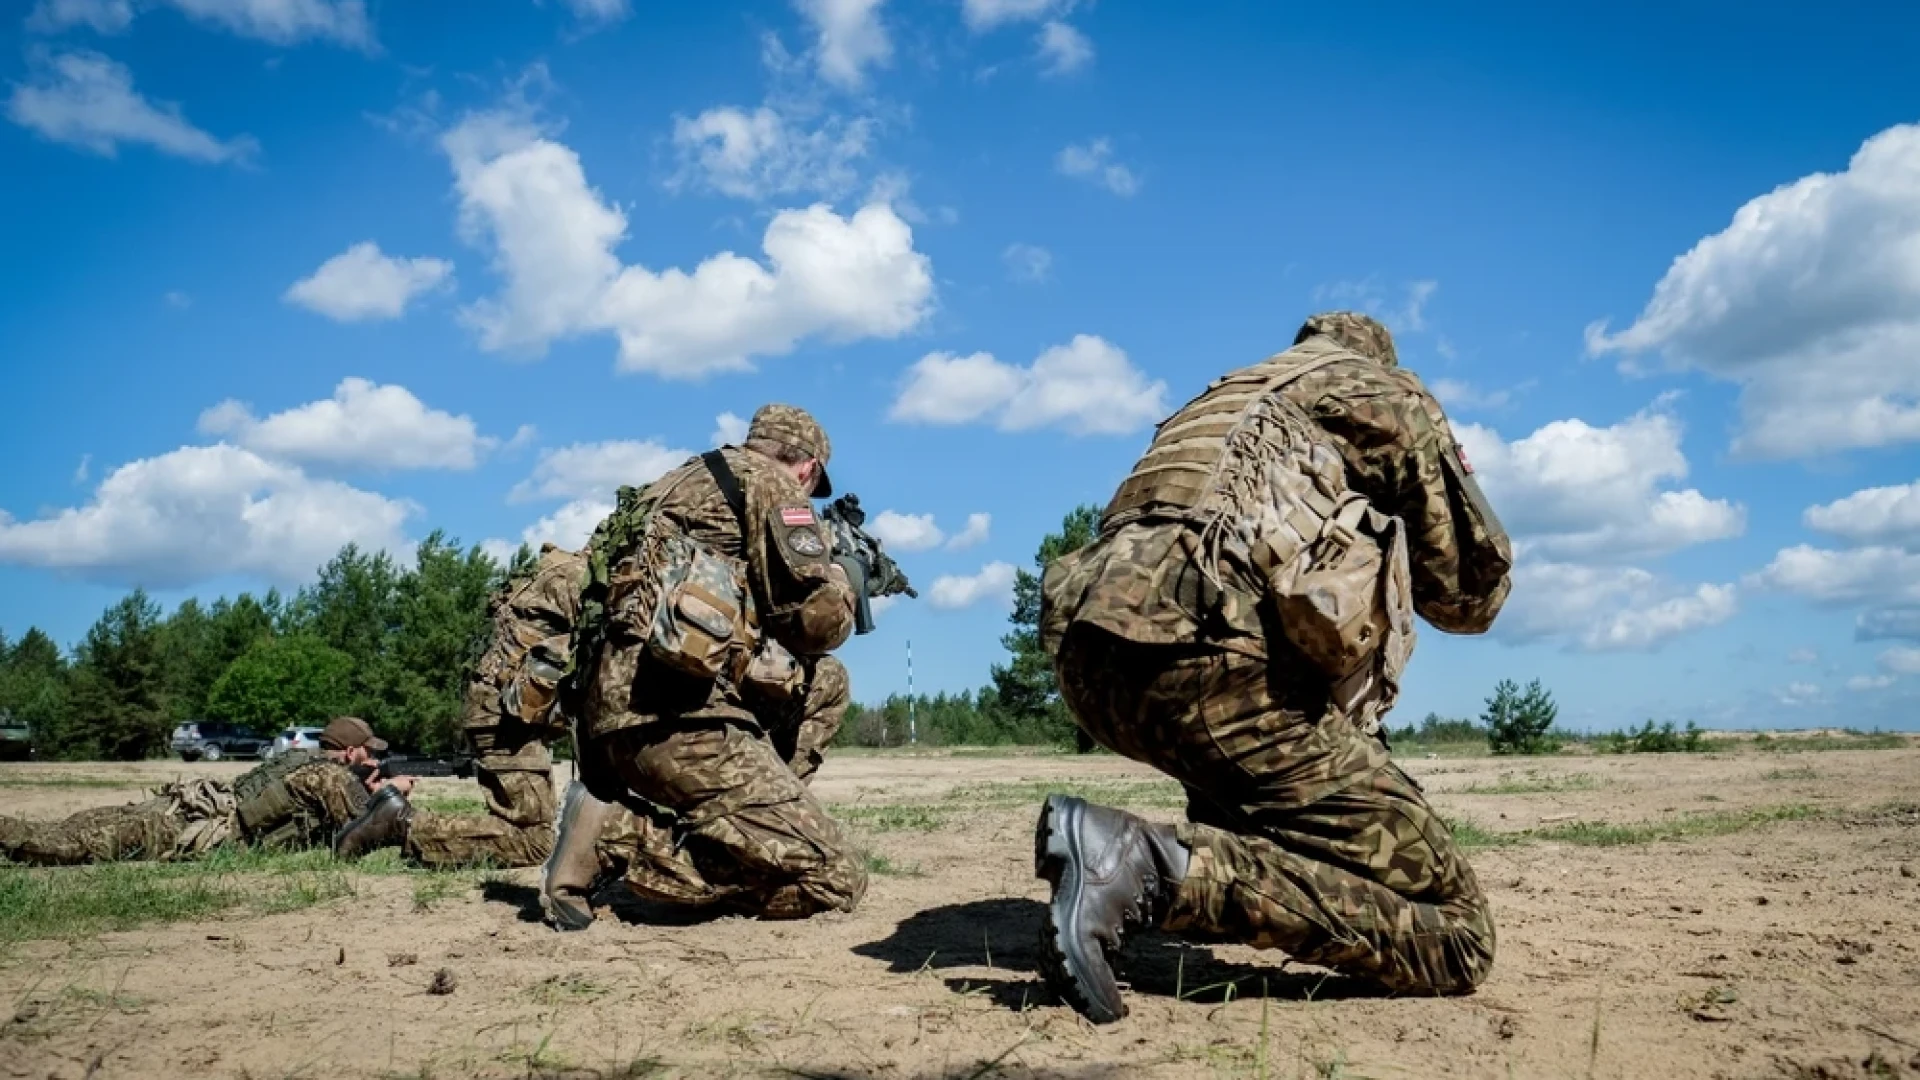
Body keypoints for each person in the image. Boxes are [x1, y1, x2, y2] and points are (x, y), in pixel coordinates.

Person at [1032, 312, 1513, 1023]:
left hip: (1089, 654)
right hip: (1211, 664)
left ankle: (1172, 858)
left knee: (1287, 832)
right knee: (1458, 931)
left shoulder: (1223, 398)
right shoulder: (1381, 394)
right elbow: (1469, 596)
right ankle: (1145, 866)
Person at [540, 404, 865, 930]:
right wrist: (845, 581)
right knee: (834, 878)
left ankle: (762, 819)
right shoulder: (770, 483)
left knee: (825, 682)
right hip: (678, 715)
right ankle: (615, 835)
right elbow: (814, 623)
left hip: (606, 724)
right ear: (806, 467)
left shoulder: (670, 485)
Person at [331, 545, 589, 867]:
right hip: (506, 715)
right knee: (534, 842)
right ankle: (399, 823)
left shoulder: (560, 569)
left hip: (505, 707)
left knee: (537, 834)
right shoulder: (582, 577)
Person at [0, 716, 393, 865]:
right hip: (193, 827)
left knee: (82, 826)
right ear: (350, 750)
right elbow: (357, 833)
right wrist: (390, 794)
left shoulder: (305, 764)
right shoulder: (328, 775)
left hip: (188, 810)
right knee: (67, 843)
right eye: (366, 752)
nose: (369, 758)